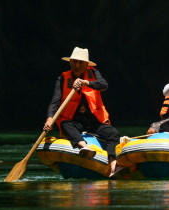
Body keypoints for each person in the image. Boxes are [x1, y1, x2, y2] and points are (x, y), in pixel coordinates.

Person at [43, 47, 123, 175]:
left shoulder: (94, 73)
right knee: (63, 124)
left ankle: (113, 164)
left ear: (86, 64)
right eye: (74, 62)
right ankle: (84, 147)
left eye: (80, 62)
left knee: (113, 133)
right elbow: (55, 102)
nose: (77, 65)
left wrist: (86, 83)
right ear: (70, 62)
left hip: (95, 121)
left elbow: (103, 85)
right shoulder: (62, 79)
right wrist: (49, 118)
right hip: (75, 122)